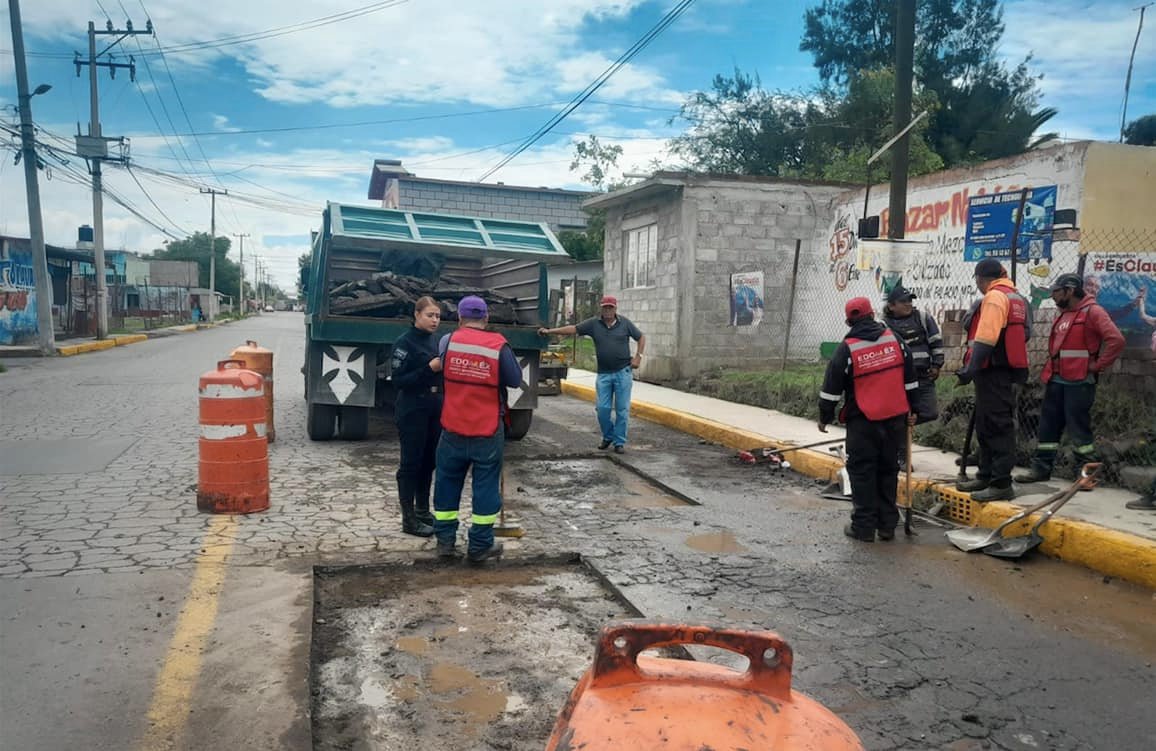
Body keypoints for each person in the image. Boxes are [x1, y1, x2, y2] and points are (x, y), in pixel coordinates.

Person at [818, 297, 919, 542]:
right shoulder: (895, 340)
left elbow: (831, 388)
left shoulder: (847, 348)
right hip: (895, 418)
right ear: (873, 314)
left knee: (862, 472)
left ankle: (863, 527)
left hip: (863, 421)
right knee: (888, 469)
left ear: (848, 321)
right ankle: (887, 525)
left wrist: (825, 417)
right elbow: (911, 378)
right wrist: (913, 409)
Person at [432, 295, 522, 563]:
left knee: (447, 484)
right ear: (486, 318)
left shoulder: (447, 341)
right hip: (487, 428)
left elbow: (441, 366)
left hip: (452, 426)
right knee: (485, 487)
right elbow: (515, 380)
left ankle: (445, 542)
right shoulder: (499, 345)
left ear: (459, 318)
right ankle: (480, 545)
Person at [1014, 273, 1124, 484]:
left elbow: (1116, 340)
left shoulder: (1093, 312)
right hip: (1057, 380)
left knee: (1079, 431)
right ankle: (1041, 469)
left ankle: (1086, 477)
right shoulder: (1064, 313)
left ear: (1070, 291)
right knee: (1048, 427)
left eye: (1056, 291)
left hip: (1079, 383)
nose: (1052, 296)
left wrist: (1097, 366)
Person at [955, 259, 1030, 502]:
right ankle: (985, 475)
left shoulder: (995, 297)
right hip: (1004, 370)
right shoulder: (1016, 297)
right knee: (986, 424)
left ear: (979, 278)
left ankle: (1000, 483)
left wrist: (970, 369)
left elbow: (985, 338)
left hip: (994, 371)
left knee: (997, 427)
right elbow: (1025, 334)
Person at [538, 295, 645, 454]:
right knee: (602, 409)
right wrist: (549, 331)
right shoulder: (594, 324)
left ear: (615, 309)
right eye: (605, 307)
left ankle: (619, 442)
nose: (607, 310)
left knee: (622, 410)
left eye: (610, 307)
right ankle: (608, 436)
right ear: (601, 308)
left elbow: (641, 337)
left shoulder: (625, 324)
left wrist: (638, 357)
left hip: (623, 372)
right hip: (604, 375)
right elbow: (573, 329)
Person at [390, 296, 444, 538]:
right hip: (413, 407)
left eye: (438, 316)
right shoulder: (405, 343)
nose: (434, 320)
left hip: (435, 407)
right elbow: (399, 381)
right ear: (417, 315)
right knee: (411, 463)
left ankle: (423, 510)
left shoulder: (436, 341)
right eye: (429, 315)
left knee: (429, 461)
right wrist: (428, 369)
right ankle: (408, 518)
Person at [882, 286, 943, 426]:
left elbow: (936, 342)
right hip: (899, 379)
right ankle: (899, 434)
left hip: (923, 376)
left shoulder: (923, 318)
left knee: (930, 412)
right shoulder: (884, 325)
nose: (908, 304)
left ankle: (904, 424)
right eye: (903, 301)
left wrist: (937, 365)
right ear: (891, 306)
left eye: (910, 300)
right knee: (898, 414)